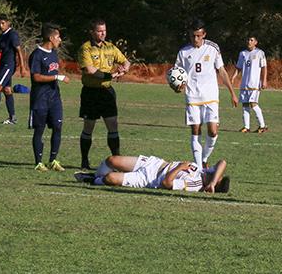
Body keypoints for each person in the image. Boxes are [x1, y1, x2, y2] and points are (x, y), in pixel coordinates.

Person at [174, 19, 238, 171]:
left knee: (213, 131)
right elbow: (176, 74)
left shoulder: (213, 48)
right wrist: (177, 87)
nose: (195, 39)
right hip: (192, 96)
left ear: (204, 34)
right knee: (195, 130)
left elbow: (221, 71)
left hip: (211, 95)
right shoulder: (183, 52)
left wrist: (232, 93)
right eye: (192, 36)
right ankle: (199, 169)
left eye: (198, 36)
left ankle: (203, 159)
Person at [77, 19, 130, 171]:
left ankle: (117, 160)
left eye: (104, 31)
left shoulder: (111, 47)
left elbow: (126, 62)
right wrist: (110, 75)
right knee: (89, 127)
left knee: (113, 126)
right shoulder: (85, 49)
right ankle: (84, 161)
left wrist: (124, 69)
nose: (103, 33)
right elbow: (89, 70)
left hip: (107, 92)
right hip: (90, 93)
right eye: (99, 31)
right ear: (92, 32)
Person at [29, 23, 70, 172]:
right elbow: (36, 77)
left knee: (58, 127)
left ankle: (53, 160)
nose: (60, 40)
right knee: (39, 130)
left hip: (54, 98)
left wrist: (56, 78)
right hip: (40, 99)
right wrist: (57, 77)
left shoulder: (54, 53)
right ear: (51, 37)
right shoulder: (36, 55)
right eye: (58, 37)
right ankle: (38, 162)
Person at [74, 155, 230, 193]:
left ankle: (94, 180)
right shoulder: (205, 172)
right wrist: (213, 179)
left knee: (110, 178)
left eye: (218, 177)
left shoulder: (195, 185)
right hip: (153, 163)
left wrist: (179, 168)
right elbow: (223, 162)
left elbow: (166, 184)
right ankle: (94, 177)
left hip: (149, 179)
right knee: (112, 160)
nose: (217, 172)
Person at [231, 35, 268, 133]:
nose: (249, 42)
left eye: (251, 40)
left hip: (255, 84)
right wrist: (234, 76)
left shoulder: (260, 53)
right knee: (245, 105)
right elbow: (238, 67)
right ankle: (246, 127)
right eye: (248, 40)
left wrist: (264, 80)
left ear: (256, 42)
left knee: (253, 104)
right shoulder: (242, 53)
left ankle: (263, 126)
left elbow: (264, 67)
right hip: (244, 84)